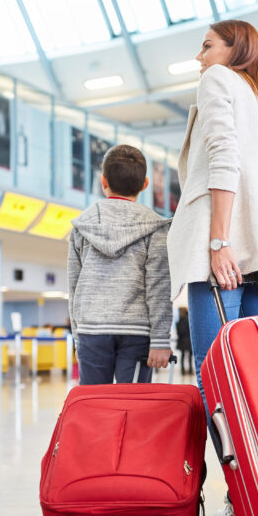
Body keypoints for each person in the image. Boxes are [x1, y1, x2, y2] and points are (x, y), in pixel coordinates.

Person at [167, 19, 258, 516]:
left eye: (206, 46)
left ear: (232, 49)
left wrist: (218, 241)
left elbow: (223, 160)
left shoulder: (219, 82)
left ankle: (239, 505)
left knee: (215, 381)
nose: (200, 57)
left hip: (227, 250)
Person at [67, 144, 173, 385]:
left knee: (94, 406)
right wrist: (160, 340)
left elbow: (73, 285)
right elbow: (159, 286)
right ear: (145, 184)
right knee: (133, 408)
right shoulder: (155, 228)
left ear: (103, 181)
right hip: (137, 333)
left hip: (91, 330)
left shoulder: (82, 226)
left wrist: (77, 334)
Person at [176, 307, 192, 374]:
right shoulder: (189, 320)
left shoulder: (180, 321)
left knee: (183, 356)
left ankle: (183, 371)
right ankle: (190, 370)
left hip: (183, 341)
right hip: (189, 341)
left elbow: (180, 332)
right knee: (189, 357)